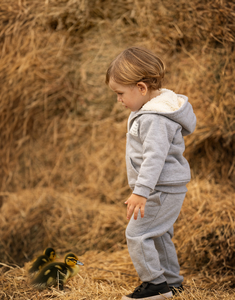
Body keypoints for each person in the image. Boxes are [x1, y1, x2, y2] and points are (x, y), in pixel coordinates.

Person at [105, 46, 196, 300]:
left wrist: (141, 192)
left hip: (160, 188)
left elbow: (154, 158)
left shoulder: (154, 118)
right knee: (159, 234)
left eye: (120, 94)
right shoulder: (153, 112)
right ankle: (171, 282)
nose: (119, 100)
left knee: (137, 233)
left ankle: (155, 285)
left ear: (141, 88)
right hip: (168, 186)